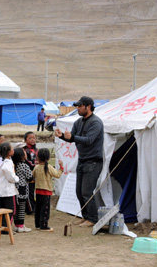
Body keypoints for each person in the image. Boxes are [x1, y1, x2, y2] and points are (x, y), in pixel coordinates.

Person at [55, 96, 104, 227]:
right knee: (79, 192)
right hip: (82, 160)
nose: (77, 108)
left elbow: (89, 140)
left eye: (79, 106)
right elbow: (72, 138)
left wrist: (73, 137)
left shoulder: (96, 122)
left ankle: (93, 219)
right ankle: (85, 216)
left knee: (87, 192)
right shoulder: (78, 122)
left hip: (93, 161)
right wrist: (62, 137)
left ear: (88, 107)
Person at [33, 148, 64, 231]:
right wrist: (61, 167)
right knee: (45, 209)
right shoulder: (49, 167)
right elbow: (57, 175)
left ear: (38, 157)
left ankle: (37, 224)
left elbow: (33, 176)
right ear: (48, 158)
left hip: (38, 191)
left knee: (38, 209)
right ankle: (44, 225)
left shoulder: (36, 167)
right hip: (46, 192)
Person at [0, 142, 19, 232]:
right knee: (10, 210)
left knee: (2, 208)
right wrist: (17, 178)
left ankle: (2, 226)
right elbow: (10, 177)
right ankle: (7, 228)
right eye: (12, 148)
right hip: (7, 191)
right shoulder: (7, 163)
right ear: (9, 152)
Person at [12, 147, 33, 233]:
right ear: (22, 156)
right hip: (22, 189)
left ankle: (17, 225)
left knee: (17, 207)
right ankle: (21, 226)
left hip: (15, 189)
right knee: (21, 208)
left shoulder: (13, 164)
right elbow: (29, 177)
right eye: (24, 152)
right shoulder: (24, 165)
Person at [24, 131, 38, 214]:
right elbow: (27, 162)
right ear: (26, 140)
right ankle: (30, 209)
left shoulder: (36, 150)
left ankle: (35, 206)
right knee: (29, 192)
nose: (32, 139)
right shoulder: (25, 150)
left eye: (34, 138)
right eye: (30, 138)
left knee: (35, 191)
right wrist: (34, 164)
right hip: (28, 174)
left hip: (36, 174)